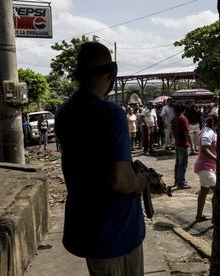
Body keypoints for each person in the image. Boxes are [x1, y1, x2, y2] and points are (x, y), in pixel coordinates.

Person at [55, 42, 147, 276]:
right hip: (117, 232)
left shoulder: (64, 111)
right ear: (111, 74)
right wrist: (140, 182)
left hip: (88, 229)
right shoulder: (111, 114)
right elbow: (120, 181)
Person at [194, 114, 217, 222]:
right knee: (218, 192)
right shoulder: (209, 132)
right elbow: (204, 149)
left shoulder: (205, 129)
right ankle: (215, 218)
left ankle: (199, 215)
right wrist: (217, 159)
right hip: (205, 167)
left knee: (204, 191)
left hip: (205, 167)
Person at [171, 104, 193, 189]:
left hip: (177, 143)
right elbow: (186, 133)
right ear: (183, 110)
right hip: (183, 144)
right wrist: (191, 144)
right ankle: (181, 182)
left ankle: (177, 180)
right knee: (182, 164)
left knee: (178, 163)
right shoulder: (183, 119)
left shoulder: (174, 119)